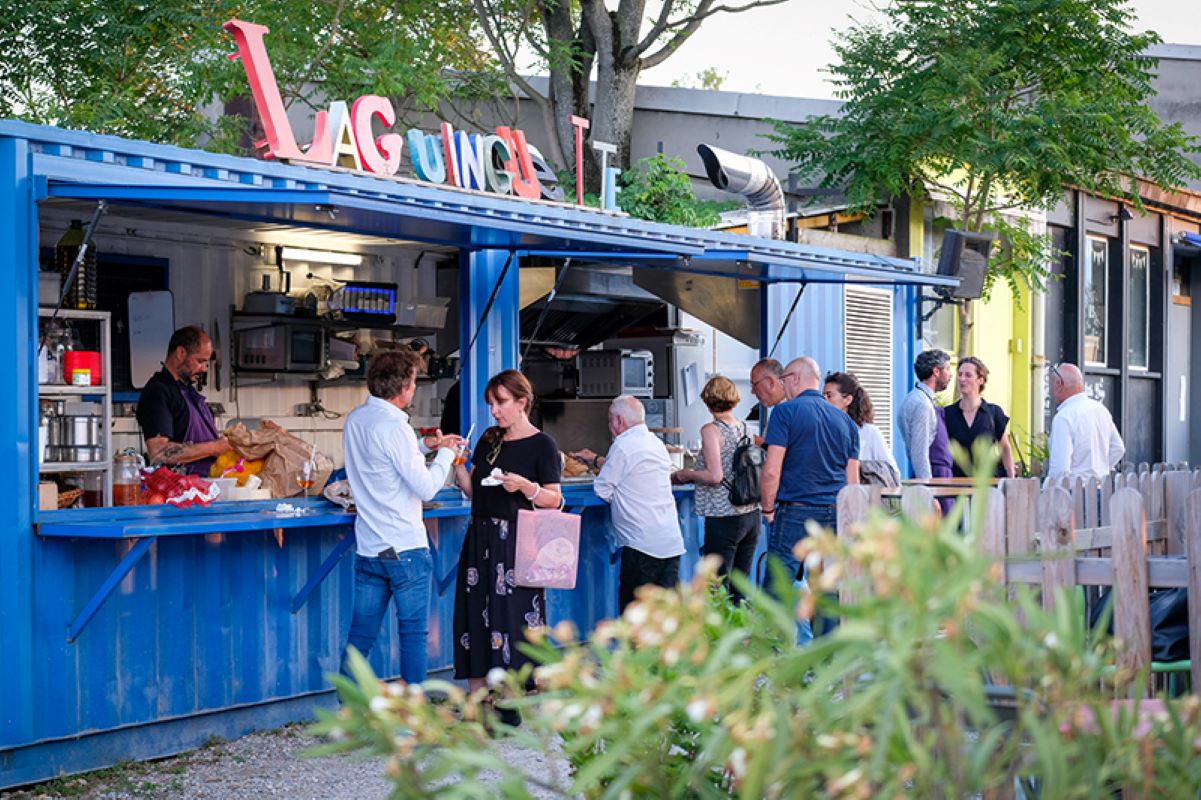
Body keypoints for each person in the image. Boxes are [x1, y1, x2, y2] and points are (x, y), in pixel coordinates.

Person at [338, 350, 464, 684]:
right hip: (406, 548)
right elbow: (426, 488)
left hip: (369, 547)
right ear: (404, 389)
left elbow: (385, 457)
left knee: (360, 638)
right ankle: (413, 719)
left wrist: (428, 445)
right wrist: (448, 454)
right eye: (413, 382)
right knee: (412, 635)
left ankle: (346, 709)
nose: (414, 389)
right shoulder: (396, 427)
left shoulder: (356, 419)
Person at [452, 370, 563, 703]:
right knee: (473, 616)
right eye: (492, 404)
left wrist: (527, 487)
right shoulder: (489, 438)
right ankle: (477, 702)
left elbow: (555, 499)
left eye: (500, 403)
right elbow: (474, 491)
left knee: (513, 619)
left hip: (518, 540)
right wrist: (458, 464)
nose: (495, 411)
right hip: (480, 537)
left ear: (522, 402)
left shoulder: (543, 444)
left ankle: (511, 698)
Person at [760, 356, 859, 639]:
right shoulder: (847, 423)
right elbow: (852, 481)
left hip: (796, 512)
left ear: (795, 378)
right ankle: (825, 662)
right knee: (827, 587)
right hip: (834, 513)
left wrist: (768, 508)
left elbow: (771, 471)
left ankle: (773, 656)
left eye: (784, 380)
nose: (782, 386)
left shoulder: (785, 413)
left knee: (778, 585)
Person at [574, 396, 685, 611]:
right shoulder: (656, 443)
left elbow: (602, 489)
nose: (609, 426)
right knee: (665, 620)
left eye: (609, 420)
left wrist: (622, 495)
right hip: (669, 542)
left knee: (635, 619)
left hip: (641, 545)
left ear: (619, 421)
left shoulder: (623, 445)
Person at [671, 375, 761, 602]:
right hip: (751, 514)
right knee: (739, 588)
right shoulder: (746, 428)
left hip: (724, 516)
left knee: (717, 586)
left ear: (708, 401)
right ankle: (742, 635)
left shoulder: (712, 430)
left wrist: (685, 474)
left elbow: (714, 475)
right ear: (735, 400)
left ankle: (718, 637)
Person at [136, 325, 232, 476]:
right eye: (200, 361)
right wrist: (214, 447)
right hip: (181, 492)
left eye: (206, 363)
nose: (205, 368)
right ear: (181, 353)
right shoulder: (158, 392)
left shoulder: (188, 390)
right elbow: (159, 452)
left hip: (207, 488)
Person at [1047, 362, 1125, 480]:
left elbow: (1060, 469)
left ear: (1059, 385)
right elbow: (1118, 448)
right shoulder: (1101, 409)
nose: (1050, 392)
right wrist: (1100, 470)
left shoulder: (1064, 417)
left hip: (1073, 492)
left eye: (1051, 385)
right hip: (1101, 489)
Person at [823, 371, 901, 487]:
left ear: (848, 400)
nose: (824, 400)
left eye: (829, 396)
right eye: (823, 396)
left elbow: (893, 472)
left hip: (863, 499)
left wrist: (859, 466)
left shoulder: (869, 432)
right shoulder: (823, 431)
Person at [943, 357, 1016, 478]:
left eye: (968, 375)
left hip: (989, 486)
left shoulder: (994, 413)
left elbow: (1005, 447)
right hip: (957, 486)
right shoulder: (947, 414)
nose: (962, 379)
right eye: (960, 374)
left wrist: (1011, 477)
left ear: (980, 380)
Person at [897, 349, 953, 481]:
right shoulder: (922, 404)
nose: (950, 375)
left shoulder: (917, 398)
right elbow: (919, 453)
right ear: (936, 371)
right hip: (934, 478)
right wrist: (929, 491)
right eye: (948, 369)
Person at [748, 357, 788, 446]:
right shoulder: (785, 409)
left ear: (770, 382)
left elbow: (778, 451)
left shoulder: (785, 412)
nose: (753, 391)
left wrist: (750, 438)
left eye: (755, 385)